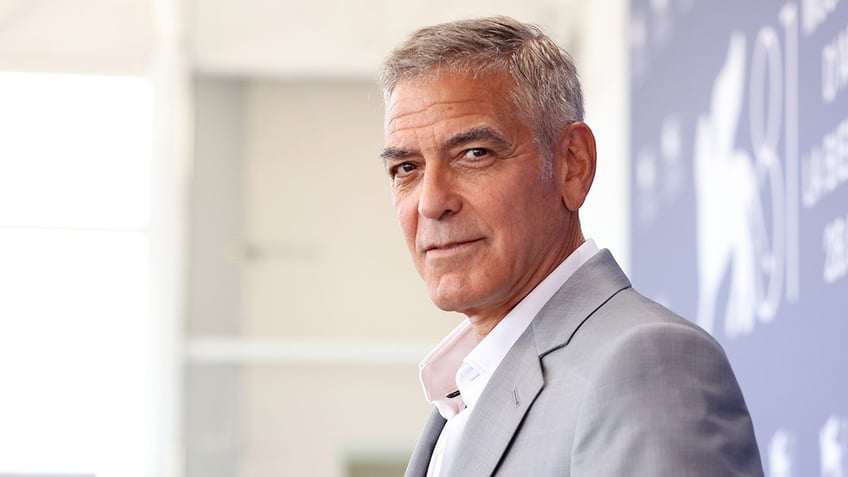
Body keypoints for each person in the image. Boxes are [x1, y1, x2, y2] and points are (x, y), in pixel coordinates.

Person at [378, 16, 764, 477]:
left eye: (474, 154)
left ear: (572, 165)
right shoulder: (463, 393)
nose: (432, 202)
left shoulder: (644, 365)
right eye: (406, 168)